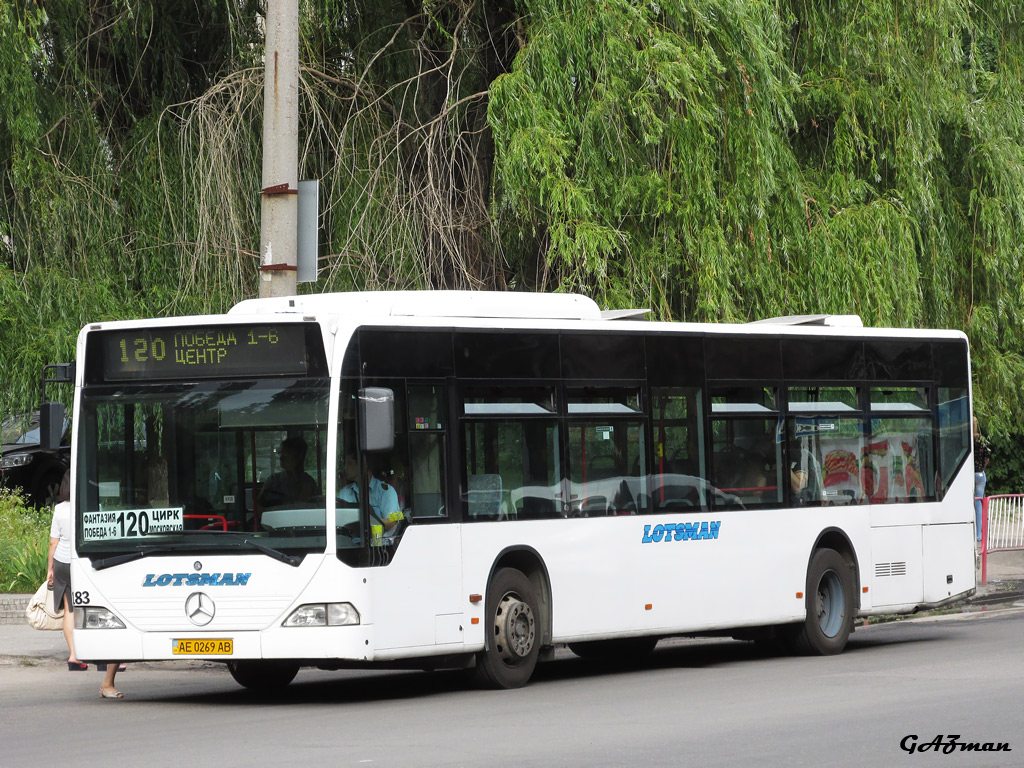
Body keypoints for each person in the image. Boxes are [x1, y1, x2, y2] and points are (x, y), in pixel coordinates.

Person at [47, 470, 85, 671]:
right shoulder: (87, 506)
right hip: (84, 561)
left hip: (62, 562)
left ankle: (73, 656)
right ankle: (107, 658)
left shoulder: (59, 509)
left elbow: (53, 542)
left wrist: (50, 570)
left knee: (69, 609)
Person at [339, 453, 403, 542]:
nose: (345, 468)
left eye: (349, 463)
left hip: (377, 548)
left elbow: (392, 522)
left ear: (363, 463)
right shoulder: (344, 493)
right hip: (348, 547)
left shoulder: (387, 491)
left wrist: (366, 521)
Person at [259, 437, 318, 507]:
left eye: (286, 453)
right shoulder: (273, 480)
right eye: (281, 453)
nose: (281, 457)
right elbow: (259, 505)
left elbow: (299, 507)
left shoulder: (307, 482)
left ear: (299, 456)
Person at [973, 417, 991, 543]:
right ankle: (979, 534)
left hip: (970, 475)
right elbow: (987, 458)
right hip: (980, 474)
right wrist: (982, 468)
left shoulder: (968, 439)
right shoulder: (982, 440)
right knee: (979, 503)